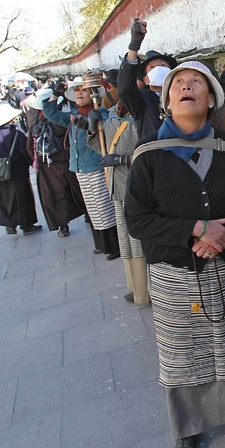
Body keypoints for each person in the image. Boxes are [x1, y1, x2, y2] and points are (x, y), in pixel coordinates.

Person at [125, 61, 225, 448]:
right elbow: (137, 221)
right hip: (176, 275)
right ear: (167, 101)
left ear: (210, 100)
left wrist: (221, 238)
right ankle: (188, 429)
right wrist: (195, 230)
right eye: (178, 84)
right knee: (183, 355)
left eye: (196, 83)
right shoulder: (148, 157)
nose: (187, 87)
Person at [43, 78, 120, 259]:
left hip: (96, 167)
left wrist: (95, 122)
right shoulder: (73, 115)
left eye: (83, 90)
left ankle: (114, 246)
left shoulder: (101, 114)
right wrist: (56, 93)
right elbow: (50, 112)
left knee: (104, 208)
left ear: (92, 93)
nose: (79, 93)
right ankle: (101, 243)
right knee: (92, 208)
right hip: (79, 168)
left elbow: (109, 133)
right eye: (76, 90)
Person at [87, 100, 149, 305]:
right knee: (127, 241)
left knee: (140, 241)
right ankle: (136, 289)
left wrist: (124, 160)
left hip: (140, 189)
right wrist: (91, 128)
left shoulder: (146, 113)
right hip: (118, 187)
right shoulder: (113, 115)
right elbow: (103, 149)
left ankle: (147, 291)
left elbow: (152, 152)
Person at [28, 88, 85, 237]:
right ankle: (89, 215)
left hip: (46, 166)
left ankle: (63, 226)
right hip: (66, 162)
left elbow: (30, 147)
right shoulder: (60, 120)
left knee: (55, 196)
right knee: (77, 191)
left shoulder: (35, 124)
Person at [118, 17, 178, 139]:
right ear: (145, 79)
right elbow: (125, 89)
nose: (158, 69)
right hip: (153, 155)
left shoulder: (182, 95)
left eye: (162, 65)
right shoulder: (142, 101)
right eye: (152, 67)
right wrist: (134, 46)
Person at [0, 104, 41, 235]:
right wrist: (34, 165)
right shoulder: (16, 135)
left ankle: (8, 223)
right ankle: (26, 224)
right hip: (18, 172)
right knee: (22, 198)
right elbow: (27, 152)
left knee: (4, 198)